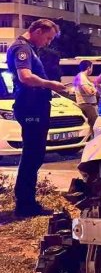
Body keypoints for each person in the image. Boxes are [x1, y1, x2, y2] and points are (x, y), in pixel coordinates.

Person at [5, 19, 67, 217]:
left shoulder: (28, 48)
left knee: (35, 154)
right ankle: (25, 205)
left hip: (35, 106)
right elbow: (25, 76)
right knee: (32, 154)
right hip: (30, 107)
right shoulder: (22, 48)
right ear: (38, 31)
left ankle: (27, 201)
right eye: (48, 38)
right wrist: (51, 84)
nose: (48, 43)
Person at [73, 59, 99, 135]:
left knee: (93, 125)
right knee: (94, 125)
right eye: (92, 67)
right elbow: (89, 92)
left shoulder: (83, 77)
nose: (92, 69)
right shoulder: (82, 77)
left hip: (89, 105)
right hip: (87, 105)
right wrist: (95, 89)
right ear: (88, 68)